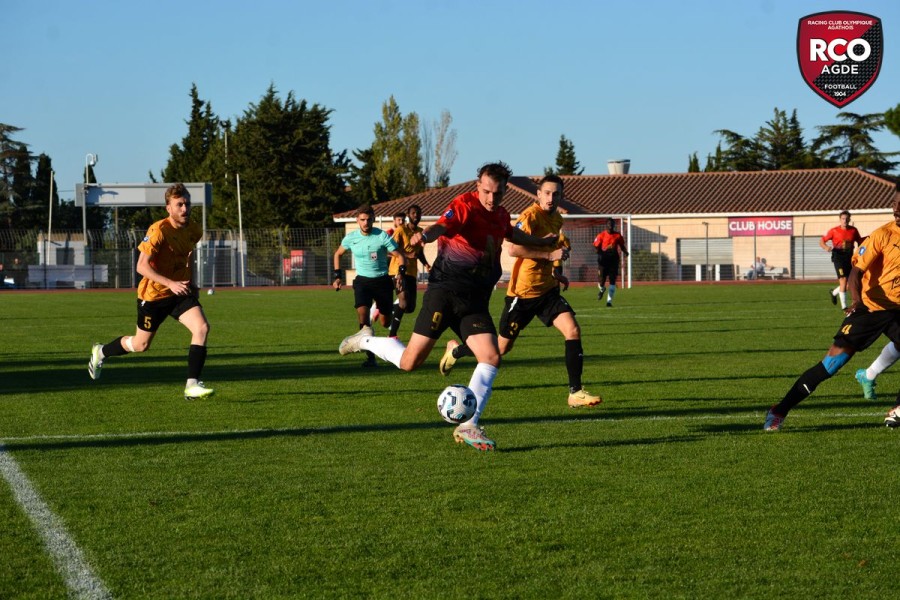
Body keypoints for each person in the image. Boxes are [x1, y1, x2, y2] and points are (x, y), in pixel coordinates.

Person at [336, 162, 561, 451]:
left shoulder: (502, 215)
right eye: (487, 191)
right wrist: (426, 236)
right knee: (409, 363)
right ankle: (364, 340)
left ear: (505, 191)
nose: (492, 198)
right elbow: (443, 225)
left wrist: (541, 244)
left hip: (475, 300)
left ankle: (469, 425)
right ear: (478, 187)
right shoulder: (465, 205)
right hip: (445, 293)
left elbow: (513, 235)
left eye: (498, 193)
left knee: (491, 357)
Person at [437, 174, 602, 408]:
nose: (551, 198)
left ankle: (575, 392)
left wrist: (556, 272)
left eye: (556, 194)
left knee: (573, 329)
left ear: (561, 196)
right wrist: (548, 255)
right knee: (501, 348)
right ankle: (457, 351)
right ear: (538, 194)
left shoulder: (556, 218)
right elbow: (514, 249)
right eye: (546, 193)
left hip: (547, 292)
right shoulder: (530, 216)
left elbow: (552, 250)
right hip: (522, 295)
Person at [765, 197, 900, 431]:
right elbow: (856, 273)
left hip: (896, 310)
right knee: (832, 364)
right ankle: (779, 410)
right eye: (896, 203)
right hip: (869, 307)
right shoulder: (882, 235)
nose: (897, 208)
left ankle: (896, 410)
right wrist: (857, 301)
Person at [87, 183, 214, 400]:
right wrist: (170, 283)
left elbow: (189, 254)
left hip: (179, 293)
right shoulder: (158, 231)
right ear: (168, 208)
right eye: (179, 205)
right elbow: (141, 266)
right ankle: (101, 352)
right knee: (140, 344)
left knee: (201, 328)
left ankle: (191, 386)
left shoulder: (193, 229)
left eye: (187, 204)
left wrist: (191, 282)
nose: (185, 209)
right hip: (153, 296)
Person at [333, 205, 407, 367]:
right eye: (362, 220)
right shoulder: (351, 237)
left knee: (385, 323)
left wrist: (400, 273)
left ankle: (380, 309)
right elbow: (337, 254)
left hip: (382, 282)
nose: (366, 223)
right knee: (363, 320)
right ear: (357, 220)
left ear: (373, 219)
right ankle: (370, 357)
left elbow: (400, 256)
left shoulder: (382, 236)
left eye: (368, 219)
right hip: (362, 282)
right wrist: (337, 276)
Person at [387, 204, 430, 339]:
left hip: (411, 272)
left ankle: (387, 309)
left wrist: (426, 264)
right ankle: (392, 335)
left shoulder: (420, 232)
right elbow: (390, 249)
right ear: (408, 215)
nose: (416, 215)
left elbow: (419, 253)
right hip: (398, 271)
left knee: (410, 308)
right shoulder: (401, 230)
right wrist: (406, 255)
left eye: (418, 213)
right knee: (403, 302)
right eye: (413, 213)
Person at [820, 210, 863, 310]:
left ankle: (834, 292)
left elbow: (860, 242)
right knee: (843, 280)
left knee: (849, 284)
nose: (845, 220)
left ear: (849, 219)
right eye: (843, 218)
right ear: (840, 220)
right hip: (838, 257)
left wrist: (861, 252)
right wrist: (826, 247)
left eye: (847, 218)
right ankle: (844, 307)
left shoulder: (853, 230)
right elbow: (822, 241)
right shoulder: (834, 231)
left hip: (849, 257)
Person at [592, 217, 629, 307]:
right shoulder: (601, 235)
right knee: (601, 281)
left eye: (612, 224)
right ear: (606, 225)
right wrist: (601, 252)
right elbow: (596, 247)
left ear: (614, 225)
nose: (610, 226)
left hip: (614, 260)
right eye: (609, 224)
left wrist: (626, 252)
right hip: (603, 261)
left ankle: (609, 301)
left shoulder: (618, 235)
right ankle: (602, 289)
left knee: (612, 280)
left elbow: (621, 245)